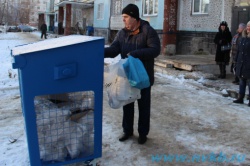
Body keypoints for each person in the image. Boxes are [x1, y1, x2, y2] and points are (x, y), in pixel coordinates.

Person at [104, 4, 161, 144]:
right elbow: (114, 50)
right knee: (127, 103)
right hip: (127, 76)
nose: (123, 20)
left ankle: (143, 134)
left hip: (143, 77)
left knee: (143, 106)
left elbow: (155, 50)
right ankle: (127, 131)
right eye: (123, 17)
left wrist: (136, 54)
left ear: (134, 17)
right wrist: (97, 52)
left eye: (125, 17)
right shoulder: (122, 33)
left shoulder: (148, 31)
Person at [233, 21, 250, 106]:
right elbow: (239, 51)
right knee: (242, 82)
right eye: (247, 26)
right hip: (241, 63)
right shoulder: (243, 38)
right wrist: (236, 60)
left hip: (248, 64)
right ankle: (240, 98)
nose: (248, 28)